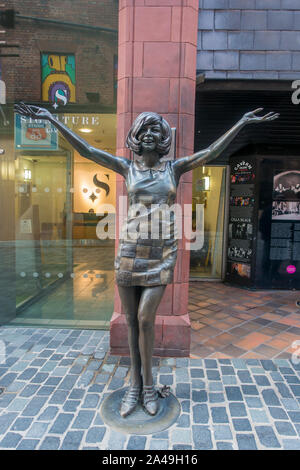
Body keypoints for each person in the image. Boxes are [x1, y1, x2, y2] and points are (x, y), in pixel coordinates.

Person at [14, 103, 279, 417]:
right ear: (136, 136)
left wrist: (242, 122)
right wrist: (51, 119)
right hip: (129, 252)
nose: (150, 134)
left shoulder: (174, 169)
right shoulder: (128, 168)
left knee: (145, 319)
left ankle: (150, 386)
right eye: (145, 130)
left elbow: (209, 152)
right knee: (130, 321)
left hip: (161, 253)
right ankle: (134, 386)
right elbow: (86, 149)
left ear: (163, 136)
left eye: (156, 129)